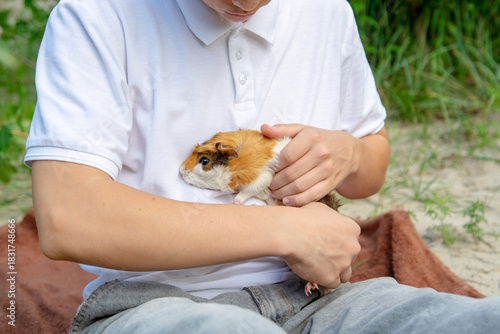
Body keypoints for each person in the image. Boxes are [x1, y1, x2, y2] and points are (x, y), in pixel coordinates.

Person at [25, 0, 499, 333]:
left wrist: (349, 154)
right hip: (159, 305)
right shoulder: (95, 16)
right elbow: (68, 219)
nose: (245, 2)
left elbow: (373, 161)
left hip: (321, 300)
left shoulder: (328, 11)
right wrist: (283, 231)